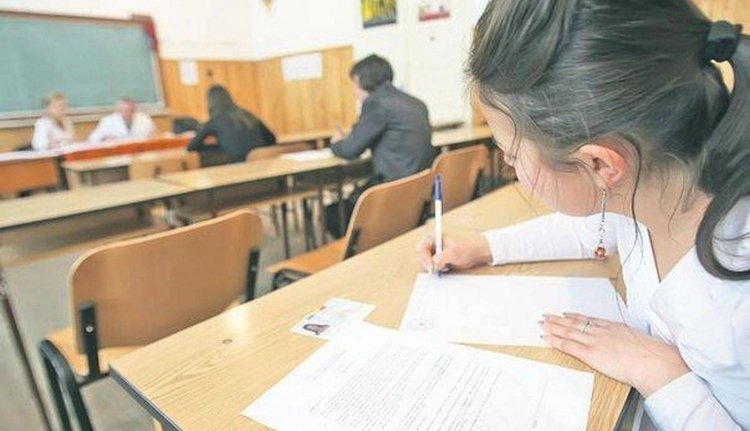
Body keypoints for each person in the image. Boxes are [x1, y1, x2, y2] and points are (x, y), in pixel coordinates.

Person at [417, 1, 749, 430]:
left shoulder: (732, 304)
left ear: (599, 164)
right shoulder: (657, 187)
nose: (511, 169)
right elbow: (594, 230)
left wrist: (660, 373)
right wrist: (485, 245)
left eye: (512, 155)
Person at [326, 54, 434, 237]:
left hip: (391, 192)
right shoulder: (416, 103)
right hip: (418, 190)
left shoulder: (376, 103)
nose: (354, 91)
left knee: (332, 214)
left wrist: (336, 142)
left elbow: (350, 150)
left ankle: (363, 251)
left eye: (355, 84)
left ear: (364, 81)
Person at [187, 85, 276, 165]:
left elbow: (191, 147)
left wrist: (216, 146)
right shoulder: (246, 114)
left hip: (239, 164)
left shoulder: (215, 120)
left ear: (210, 103)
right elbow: (272, 138)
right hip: (263, 161)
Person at [88, 98, 156, 142]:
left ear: (135, 110)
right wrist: (104, 138)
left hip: (140, 152)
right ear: (118, 111)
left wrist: (152, 137)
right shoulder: (107, 121)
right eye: (125, 110)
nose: (128, 113)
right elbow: (92, 139)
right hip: (116, 154)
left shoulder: (144, 118)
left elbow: (154, 135)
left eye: (131, 110)